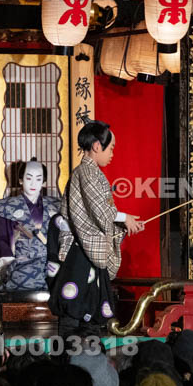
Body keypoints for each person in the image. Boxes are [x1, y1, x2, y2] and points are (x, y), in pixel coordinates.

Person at [49, 120, 143, 338]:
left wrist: (123, 222)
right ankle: (72, 362)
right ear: (97, 147)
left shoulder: (91, 173)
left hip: (90, 251)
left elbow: (100, 213)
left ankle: (82, 362)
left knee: (88, 312)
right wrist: (124, 218)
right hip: (81, 252)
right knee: (75, 314)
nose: (112, 153)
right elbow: (98, 211)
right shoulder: (86, 172)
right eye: (111, 148)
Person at [0, 159, 61, 289]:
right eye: (28, 178)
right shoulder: (7, 208)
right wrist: (6, 261)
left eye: (38, 179)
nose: (33, 183)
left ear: (43, 181)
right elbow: (0, 240)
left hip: (50, 262)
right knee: (26, 280)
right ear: (20, 180)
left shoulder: (54, 206)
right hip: (20, 264)